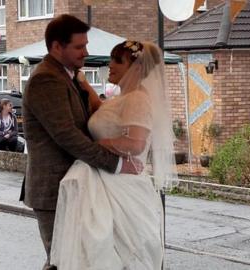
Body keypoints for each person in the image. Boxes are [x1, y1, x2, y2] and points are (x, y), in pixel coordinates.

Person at [22, 14, 142, 270]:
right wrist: (117, 165)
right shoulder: (46, 79)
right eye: (79, 46)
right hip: (55, 189)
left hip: (79, 184)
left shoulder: (69, 76)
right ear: (56, 47)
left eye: (85, 45)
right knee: (62, 262)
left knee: (80, 260)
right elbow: (67, 136)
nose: (86, 52)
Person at [50, 41, 176, 269]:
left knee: (113, 252)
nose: (110, 65)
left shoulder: (138, 98)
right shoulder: (122, 98)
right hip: (106, 180)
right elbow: (104, 112)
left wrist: (98, 144)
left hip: (122, 186)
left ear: (136, 68)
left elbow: (136, 143)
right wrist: (85, 85)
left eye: (118, 60)